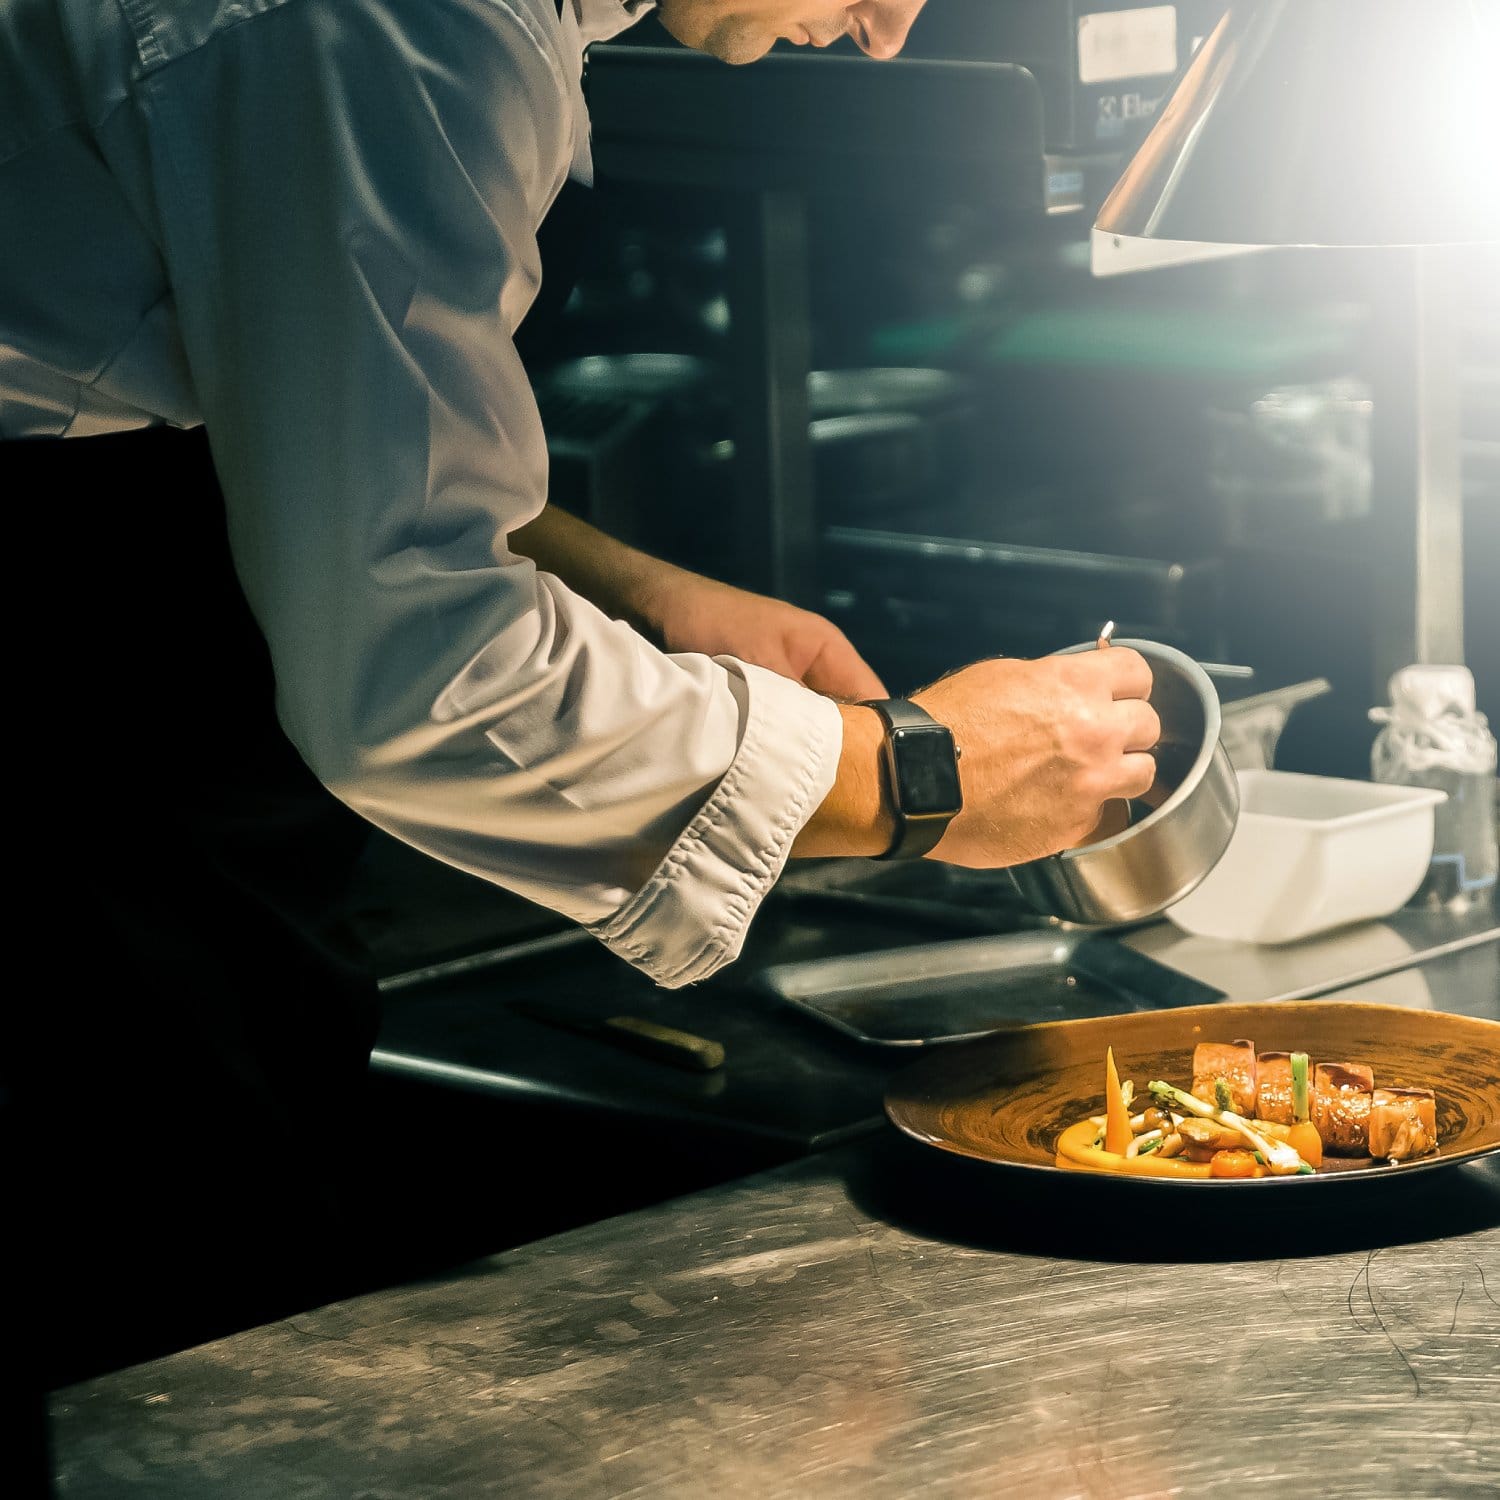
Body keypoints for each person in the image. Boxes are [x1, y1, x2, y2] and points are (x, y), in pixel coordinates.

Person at [2, 0, 1159, 1405]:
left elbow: (309, 402)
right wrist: (915, 776)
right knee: (166, 1328)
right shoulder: (399, 22)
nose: (886, 34)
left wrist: (632, 594)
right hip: (62, 696)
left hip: (137, 595)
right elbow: (424, 671)